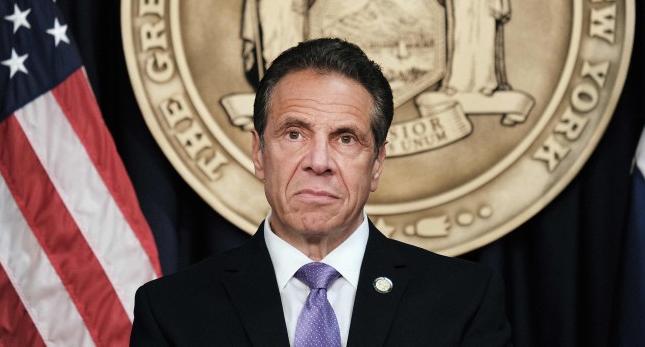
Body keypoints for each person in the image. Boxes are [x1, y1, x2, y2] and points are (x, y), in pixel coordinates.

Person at [130, 38, 512, 346]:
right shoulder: (173, 311)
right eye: (294, 134)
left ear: (377, 162)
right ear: (259, 153)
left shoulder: (463, 301)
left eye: (345, 138)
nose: (318, 161)